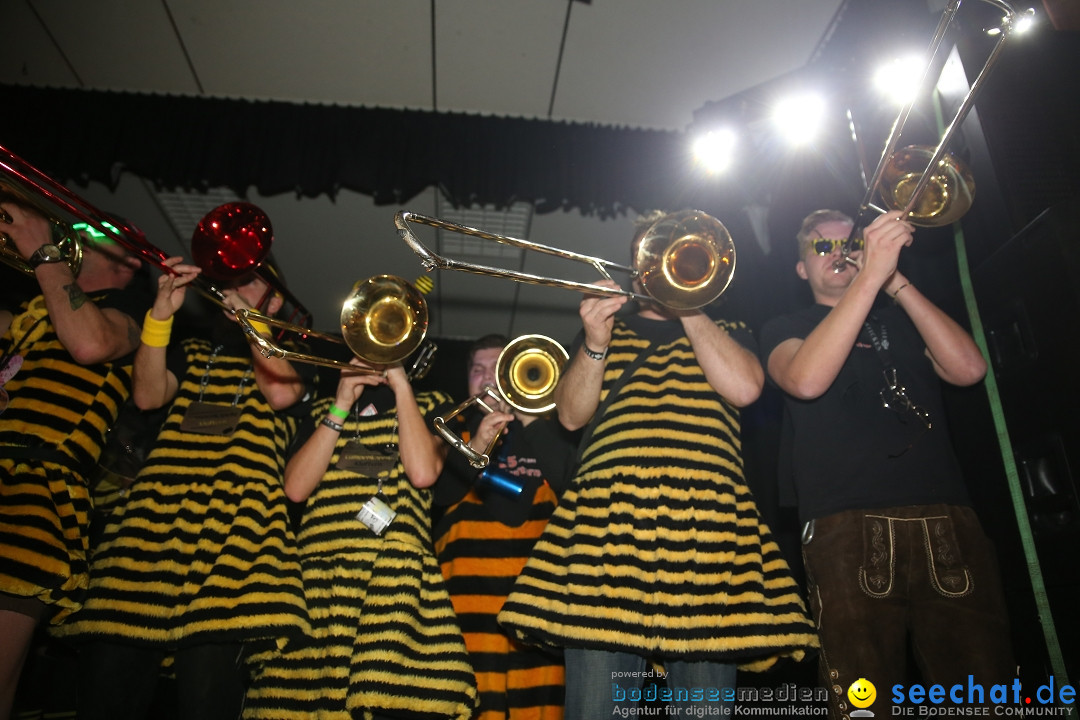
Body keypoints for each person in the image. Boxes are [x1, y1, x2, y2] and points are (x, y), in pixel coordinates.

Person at [498, 210, 818, 718]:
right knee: (598, 707)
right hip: (608, 530)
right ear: (637, 268)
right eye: (655, 258)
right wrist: (595, 343)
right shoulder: (605, 333)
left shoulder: (727, 329)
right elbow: (570, 416)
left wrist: (687, 305)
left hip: (707, 535)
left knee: (702, 710)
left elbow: (746, 387)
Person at [759, 209, 1015, 717]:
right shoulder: (784, 326)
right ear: (800, 270)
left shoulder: (901, 316)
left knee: (983, 692)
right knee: (863, 698)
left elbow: (968, 369)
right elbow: (807, 380)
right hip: (846, 524)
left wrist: (894, 281)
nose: (838, 254)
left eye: (849, 244)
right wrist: (870, 275)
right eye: (821, 248)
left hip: (947, 517)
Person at [56, 257, 313, 720]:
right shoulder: (194, 350)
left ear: (275, 299)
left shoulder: (293, 356)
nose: (232, 287)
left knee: (207, 694)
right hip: (151, 526)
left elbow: (281, 395)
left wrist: (254, 326)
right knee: (109, 684)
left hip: (235, 536)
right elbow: (147, 396)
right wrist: (159, 316)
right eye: (228, 280)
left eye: (249, 281)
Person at [243, 356, 478, 720]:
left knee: (383, 698)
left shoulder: (432, 405)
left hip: (390, 577)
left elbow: (422, 472)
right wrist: (340, 404)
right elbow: (294, 489)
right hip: (320, 577)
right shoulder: (323, 408)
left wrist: (402, 386)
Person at [0, 203, 147, 720]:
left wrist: (44, 253)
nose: (75, 232)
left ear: (130, 262)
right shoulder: (32, 311)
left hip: (35, 497)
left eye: (91, 231)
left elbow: (89, 344)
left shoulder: (130, 318)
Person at [433, 333, 576, 720]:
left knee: (542, 708)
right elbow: (440, 495)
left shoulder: (552, 430)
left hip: (536, 602)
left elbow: (569, 481)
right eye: (478, 370)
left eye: (496, 369)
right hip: (466, 605)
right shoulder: (453, 428)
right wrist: (477, 443)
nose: (487, 379)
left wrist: (528, 416)